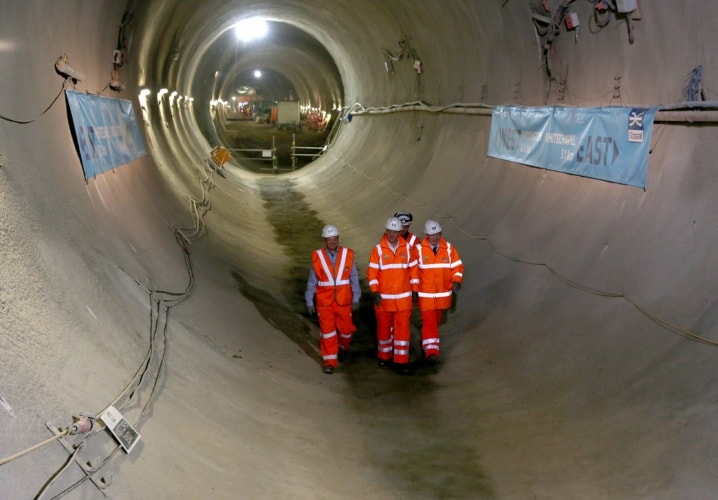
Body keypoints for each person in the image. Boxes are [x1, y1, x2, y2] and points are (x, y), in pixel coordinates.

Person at [305, 224, 361, 374]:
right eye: (329, 239)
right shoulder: (317, 257)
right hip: (325, 302)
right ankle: (329, 362)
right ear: (324, 240)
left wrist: (356, 297)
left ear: (338, 239)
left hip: (344, 301)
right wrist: (309, 300)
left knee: (347, 331)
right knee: (328, 332)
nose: (332, 242)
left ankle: (343, 348)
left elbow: (354, 277)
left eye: (335, 239)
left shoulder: (347, 254)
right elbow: (312, 280)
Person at [367, 217, 418, 374]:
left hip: (403, 299)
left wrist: (415, 289)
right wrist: (375, 291)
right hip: (384, 300)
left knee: (402, 331)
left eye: (395, 232)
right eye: (390, 231)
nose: (392, 235)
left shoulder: (408, 249)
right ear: (386, 231)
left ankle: (401, 362)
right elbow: (372, 273)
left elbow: (413, 270)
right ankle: (384, 357)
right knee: (384, 330)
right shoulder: (378, 250)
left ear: (399, 232)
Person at [416, 220, 464, 363]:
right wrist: (413, 290)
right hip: (425, 296)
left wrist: (457, 280)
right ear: (426, 235)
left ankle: (427, 342)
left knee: (434, 322)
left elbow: (457, 267)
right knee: (429, 321)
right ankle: (432, 351)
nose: (435, 237)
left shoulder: (448, 249)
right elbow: (413, 272)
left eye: (437, 234)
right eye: (432, 235)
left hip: (443, 296)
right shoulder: (418, 250)